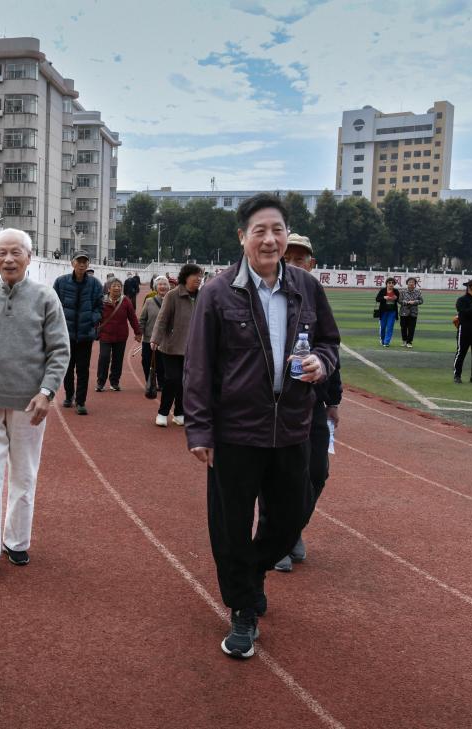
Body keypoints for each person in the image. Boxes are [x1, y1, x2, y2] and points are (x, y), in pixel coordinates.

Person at [183, 193, 340, 659]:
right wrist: (200, 431)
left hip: (292, 426)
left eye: (277, 230)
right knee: (230, 526)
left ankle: (250, 575)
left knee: (290, 517)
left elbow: (329, 342)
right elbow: (198, 367)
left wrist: (322, 363)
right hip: (235, 432)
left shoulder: (306, 287)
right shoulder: (217, 293)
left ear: (286, 235)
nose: (270, 239)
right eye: (260, 231)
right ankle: (243, 610)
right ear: (243, 237)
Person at [0, 229, 70, 578]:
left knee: (24, 474)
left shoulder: (45, 297)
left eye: (16, 252)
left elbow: (59, 350)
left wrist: (47, 392)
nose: (8, 259)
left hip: (29, 405)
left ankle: (17, 541)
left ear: (29, 257)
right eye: (2, 252)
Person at [271, 234, 343, 573]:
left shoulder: (315, 294)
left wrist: (334, 401)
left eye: (301, 259)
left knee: (317, 471)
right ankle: (277, 539)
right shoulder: (267, 296)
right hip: (275, 404)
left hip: (312, 402)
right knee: (278, 475)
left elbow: (331, 347)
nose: (295, 264)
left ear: (311, 264)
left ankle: (292, 528)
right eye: (289, 258)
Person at [151, 263, 202, 427]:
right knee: (172, 379)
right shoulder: (172, 295)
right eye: (196, 276)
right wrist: (155, 339)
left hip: (193, 348)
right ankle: (162, 412)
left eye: (201, 276)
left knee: (186, 382)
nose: (199, 279)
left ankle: (180, 413)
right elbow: (162, 319)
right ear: (186, 277)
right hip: (171, 346)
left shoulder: (203, 296)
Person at [53, 251, 103, 415]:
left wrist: (92, 319)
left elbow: (99, 306)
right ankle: (69, 395)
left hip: (85, 335)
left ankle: (81, 401)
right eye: (79, 261)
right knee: (67, 368)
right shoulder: (61, 282)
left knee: (83, 369)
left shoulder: (95, 284)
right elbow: (54, 304)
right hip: (66, 334)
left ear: (88, 264)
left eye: (84, 262)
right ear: (72, 263)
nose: (82, 264)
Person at [95, 278, 141, 392]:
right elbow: (96, 317)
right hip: (105, 335)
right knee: (104, 357)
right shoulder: (102, 301)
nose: (117, 288)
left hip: (121, 335)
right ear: (108, 288)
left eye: (119, 286)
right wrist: (94, 330)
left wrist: (138, 332)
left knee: (118, 359)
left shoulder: (126, 301)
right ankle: (100, 382)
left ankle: (114, 382)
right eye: (114, 286)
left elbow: (133, 318)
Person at [138, 276, 170, 392]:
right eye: (160, 284)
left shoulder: (172, 301)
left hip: (165, 339)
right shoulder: (149, 301)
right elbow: (142, 319)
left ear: (168, 287)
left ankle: (162, 383)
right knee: (146, 361)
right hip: (149, 338)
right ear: (156, 287)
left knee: (162, 363)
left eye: (165, 284)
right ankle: (150, 381)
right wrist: (139, 333)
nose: (162, 287)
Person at [398, 277, 423, 348]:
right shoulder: (402, 291)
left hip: (413, 312)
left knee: (411, 328)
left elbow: (421, 301)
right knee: (403, 327)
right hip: (403, 312)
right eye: (410, 282)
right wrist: (406, 302)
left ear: (415, 283)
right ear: (407, 283)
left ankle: (409, 342)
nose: (411, 283)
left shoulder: (418, 291)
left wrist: (414, 302)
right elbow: (399, 301)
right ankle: (404, 341)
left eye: (413, 282)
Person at [375, 277, 400, 347]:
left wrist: (396, 298)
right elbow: (377, 299)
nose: (391, 284)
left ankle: (387, 342)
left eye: (392, 283)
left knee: (390, 327)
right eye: (389, 283)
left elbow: (399, 300)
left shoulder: (396, 291)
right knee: (383, 327)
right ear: (386, 284)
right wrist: (384, 297)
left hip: (392, 312)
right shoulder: (383, 290)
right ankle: (382, 340)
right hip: (383, 311)